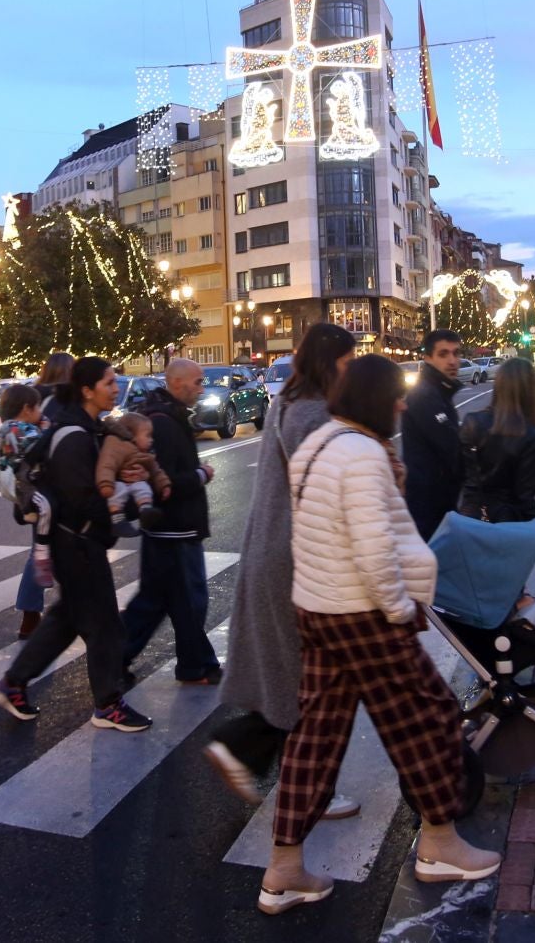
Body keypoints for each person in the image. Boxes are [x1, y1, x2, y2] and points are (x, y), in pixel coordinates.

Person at [259, 354, 499, 915]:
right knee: (429, 716)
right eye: (395, 397)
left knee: (315, 736)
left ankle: (284, 868)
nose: (400, 406)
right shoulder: (362, 455)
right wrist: (397, 608)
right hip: (361, 611)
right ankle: (439, 843)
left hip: (318, 606)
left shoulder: (320, 443)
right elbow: (372, 548)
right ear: (375, 398)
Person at [208, 322, 360, 810]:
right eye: (347, 360)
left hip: (274, 547)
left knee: (299, 672)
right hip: (297, 555)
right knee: (315, 676)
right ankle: (258, 756)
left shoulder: (288, 404)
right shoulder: (313, 414)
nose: (351, 369)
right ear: (328, 362)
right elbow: (329, 490)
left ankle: (256, 755)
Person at [0, 356, 153, 732]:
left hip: (77, 541)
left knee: (67, 619)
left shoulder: (88, 428)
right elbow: (83, 498)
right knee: (105, 626)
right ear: (86, 390)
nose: (116, 388)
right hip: (75, 543)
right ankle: (108, 704)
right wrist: (122, 502)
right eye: (109, 383)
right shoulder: (74, 436)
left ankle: (14, 682)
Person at [121, 358, 222, 685]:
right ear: (176, 383)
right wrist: (200, 474)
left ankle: (195, 664)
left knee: (158, 602)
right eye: (197, 381)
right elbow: (162, 482)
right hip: (175, 528)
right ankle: (195, 666)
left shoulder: (164, 417)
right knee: (187, 600)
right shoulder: (163, 424)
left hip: (167, 528)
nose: (200, 388)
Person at [457, 357, 535, 523]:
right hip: (509, 525)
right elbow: (525, 499)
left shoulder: (472, 422)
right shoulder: (529, 435)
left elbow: (463, 478)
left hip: (471, 519)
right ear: (531, 390)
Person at [400, 329, 466, 541]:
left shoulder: (439, 392)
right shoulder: (425, 395)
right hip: (428, 506)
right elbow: (451, 446)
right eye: (443, 354)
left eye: (456, 353)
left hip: (438, 501)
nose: (452, 361)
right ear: (427, 358)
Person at [0, 384, 49, 639]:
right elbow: (43, 449)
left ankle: (31, 612)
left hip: (22, 496)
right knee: (41, 551)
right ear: (26, 409)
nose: (41, 411)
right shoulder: (23, 430)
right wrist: (48, 430)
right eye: (37, 407)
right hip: (36, 495)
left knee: (39, 549)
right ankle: (30, 612)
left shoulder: (3, 430)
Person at [95, 413, 171, 526]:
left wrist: (164, 484)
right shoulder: (117, 445)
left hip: (136, 482)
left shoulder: (146, 453)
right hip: (120, 482)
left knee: (143, 488)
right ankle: (117, 516)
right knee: (118, 491)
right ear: (133, 435)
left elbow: (156, 470)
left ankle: (146, 510)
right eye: (148, 436)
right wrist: (106, 484)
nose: (151, 440)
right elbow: (107, 464)